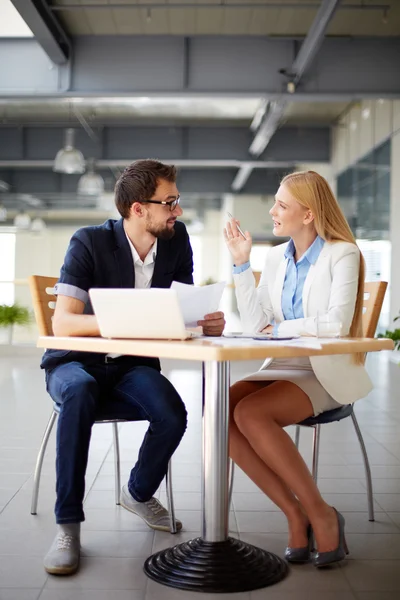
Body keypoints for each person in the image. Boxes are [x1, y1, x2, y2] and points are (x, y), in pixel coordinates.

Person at [41, 159, 225, 575]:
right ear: (138, 209)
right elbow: (64, 322)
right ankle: (68, 525)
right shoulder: (88, 241)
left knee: (172, 413)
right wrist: (124, 322)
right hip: (75, 362)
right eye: (169, 202)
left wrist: (205, 319)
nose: (177, 210)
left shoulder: (177, 243)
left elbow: (184, 311)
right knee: (79, 392)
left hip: (131, 367)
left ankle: (138, 493)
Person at [224, 170, 371, 568]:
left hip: (324, 368)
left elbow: (336, 323)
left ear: (308, 215)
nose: (272, 211)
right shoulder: (274, 257)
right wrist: (241, 264)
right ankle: (295, 514)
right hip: (284, 364)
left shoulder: (343, 253)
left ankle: (319, 513)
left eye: (281, 205)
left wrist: (282, 328)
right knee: (220, 414)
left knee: (251, 412)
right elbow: (257, 325)